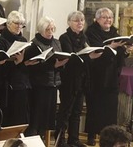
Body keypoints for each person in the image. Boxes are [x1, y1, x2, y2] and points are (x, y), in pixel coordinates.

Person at [55, 11, 101, 147]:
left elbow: (86, 56)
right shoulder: (64, 37)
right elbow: (71, 58)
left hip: (82, 79)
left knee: (77, 111)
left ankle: (73, 139)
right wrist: (89, 57)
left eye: (82, 20)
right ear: (69, 22)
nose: (80, 23)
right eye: (76, 20)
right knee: (65, 111)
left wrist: (92, 56)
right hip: (69, 79)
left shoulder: (84, 37)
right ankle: (60, 139)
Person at [84, 8, 129, 145]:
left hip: (111, 77)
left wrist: (125, 51)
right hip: (96, 76)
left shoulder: (115, 33)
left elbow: (119, 53)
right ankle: (92, 135)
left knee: (110, 109)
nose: (108, 20)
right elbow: (98, 53)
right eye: (104, 17)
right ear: (97, 19)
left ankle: (110, 138)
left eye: (110, 17)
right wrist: (112, 48)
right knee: (95, 108)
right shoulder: (91, 33)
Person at [23, 16, 68, 137]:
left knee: (47, 119)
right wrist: (52, 65)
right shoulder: (33, 45)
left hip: (53, 84)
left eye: (52, 29)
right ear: (41, 30)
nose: (50, 32)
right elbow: (31, 66)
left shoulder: (57, 42)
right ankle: (33, 139)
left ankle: (42, 139)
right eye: (47, 29)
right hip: (38, 85)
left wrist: (61, 64)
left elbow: (59, 58)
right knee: (36, 117)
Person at [0, 11, 32, 126]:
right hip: (8, 82)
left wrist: (25, 62)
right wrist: (17, 62)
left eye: (21, 24)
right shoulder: (2, 40)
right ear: (8, 24)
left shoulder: (23, 40)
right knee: (10, 117)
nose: (19, 27)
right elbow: (2, 64)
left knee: (21, 117)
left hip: (22, 82)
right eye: (16, 23)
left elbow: (22, 61)